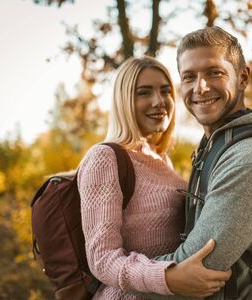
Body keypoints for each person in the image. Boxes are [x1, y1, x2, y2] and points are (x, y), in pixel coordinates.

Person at [149, 26, 252, 299]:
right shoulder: (219, 144)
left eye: (214, 72)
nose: (200, 87)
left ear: (243, 77)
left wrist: (113, 271)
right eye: (189, 77)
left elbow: (191, 269)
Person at [77, 56, 231, 300]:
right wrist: (169, 277)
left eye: (165, 91)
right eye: (144, 93)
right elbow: (103, 260)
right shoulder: (105, 158)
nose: (159, 102)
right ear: (124, 100)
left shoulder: (161, 159)